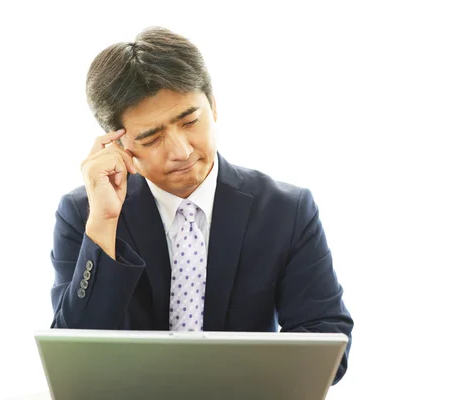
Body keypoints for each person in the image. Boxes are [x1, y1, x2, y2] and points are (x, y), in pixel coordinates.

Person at [49, 26, 353, 384]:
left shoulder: (286, 210)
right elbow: (76, 359)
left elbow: (328, 340)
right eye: (151, 137)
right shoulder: (85, 214)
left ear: (214, 106)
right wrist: (103, 221)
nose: (181, 151)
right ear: (117, 144)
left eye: (190, 121)